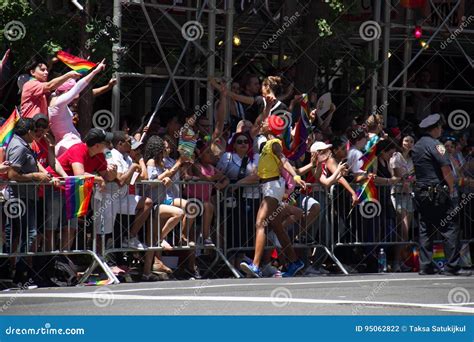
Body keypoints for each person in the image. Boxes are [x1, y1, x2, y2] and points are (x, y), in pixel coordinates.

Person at [239, 111, 306, 278]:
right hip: (270, 186)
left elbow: (283, 159)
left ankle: (255, 265)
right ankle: (295, 261)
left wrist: (295, 175)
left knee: (260, 222)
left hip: (272, 186)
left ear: (271, 127)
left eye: (266, 122)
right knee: (276, 226)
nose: (263, 124)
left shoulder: (274, 142)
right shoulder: (268, 143)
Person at [412, 114, 470, 276]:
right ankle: (451, 266)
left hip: (422, 193)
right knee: (450, 228)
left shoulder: (417, 146)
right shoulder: (437, 145)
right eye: (440, 127)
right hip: (439, 193)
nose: (441, 130)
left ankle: (425, 266)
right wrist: (452, 189)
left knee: (425, 228)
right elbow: (446, 170)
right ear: (435, 128)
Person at [45, 128, 117, 251]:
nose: (109, 145)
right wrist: (98, 179)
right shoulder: (78, 149)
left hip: (73, 191)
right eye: (106, 142)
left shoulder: (99, 154)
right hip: (56, 188)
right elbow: (80, 174)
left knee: (71, 226)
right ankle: (49, 258)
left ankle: (63, 259)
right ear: (97, 145)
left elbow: (108, 177)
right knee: (52, 225)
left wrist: (113, 172)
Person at [6, 118, 54, 283]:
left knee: (25, 234)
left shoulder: (24, 145)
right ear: (28, 132)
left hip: (27, 196)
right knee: (28, 234)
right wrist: (35, 176)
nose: (36, 135)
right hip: (21, 197)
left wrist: (43, 174)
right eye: (34, 132)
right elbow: (13, 175)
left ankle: (21, 273)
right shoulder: (19, 147)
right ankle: (20, 274)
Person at [49, 59, 106, 156]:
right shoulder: (59, 103)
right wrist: (95, 72)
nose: (76, 96)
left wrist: (87, 68)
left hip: (64, 145)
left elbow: (69, 82)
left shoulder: (53, 98)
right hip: (69, 145)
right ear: (67, 91)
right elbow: (79, 86)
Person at [390, 134, 416, 271]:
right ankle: (395, 263)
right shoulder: (396, 155)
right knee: (403, 230)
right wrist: (408, 178)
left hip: (409, 195)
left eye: (412, 141)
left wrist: (409, 179)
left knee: (406, 231)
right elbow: (399, 174)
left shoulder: (413, 158)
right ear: (401, 142)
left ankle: (400, 262)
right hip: (398, 194)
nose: (409, 143)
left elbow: (414, 176)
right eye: (406, 140)